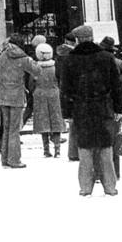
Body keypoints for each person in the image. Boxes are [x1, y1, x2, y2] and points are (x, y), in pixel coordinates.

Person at [60, 25, 122, 197]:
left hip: (81, 109)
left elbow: (65, 89)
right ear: (92, 37)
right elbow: (117, 86)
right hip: (103, 107)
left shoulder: (70, 59)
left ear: (77, 40)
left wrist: (66, 112)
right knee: (105, 147)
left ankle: (86, 188)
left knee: (85, 148)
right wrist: (119, 107)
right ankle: (110, 186)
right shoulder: (106, 57)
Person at [0, 34, 41, 169]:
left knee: (6, 128)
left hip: (3, 95)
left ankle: (5, 158)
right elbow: (37, 70)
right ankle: (14, 159)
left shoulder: (1, 55)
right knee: (14, 129)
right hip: (16, 96)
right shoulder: (22, 58)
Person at [99, 36, 122, 180]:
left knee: (99, 141)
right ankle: (115, 173)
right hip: (114, 105)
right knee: (114, 139)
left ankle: (99, 173)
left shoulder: (95, 62)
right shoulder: (119, 63)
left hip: (99, 104)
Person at [31, 43, 65, 157]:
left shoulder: (35, 68)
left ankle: (46, 149)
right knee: (56, 120)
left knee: (43, 121)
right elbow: (61, 81)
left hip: (40, 94)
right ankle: (57, 149)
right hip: (54, 94)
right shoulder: (56, 66)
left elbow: (31, 85)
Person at [55, 31, 79, 161]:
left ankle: (72, 151)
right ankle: (77, 151)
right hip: (75, 90)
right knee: (77, 123)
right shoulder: (74, 55)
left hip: (64, 89)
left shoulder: (59, 54)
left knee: (72, 122)